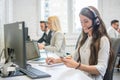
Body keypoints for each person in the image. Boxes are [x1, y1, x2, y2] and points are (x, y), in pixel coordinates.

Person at [46, 6, 114, 80]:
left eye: (86, 21)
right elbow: (74, 57)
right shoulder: (84, 38)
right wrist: (56, 61)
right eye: (81, 22)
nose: (83, 25)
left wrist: (78, 66)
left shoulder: (103, 40)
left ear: (96, 21)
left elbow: (101, 69)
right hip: (81, 76)